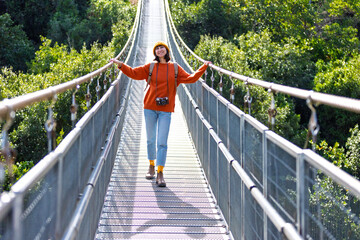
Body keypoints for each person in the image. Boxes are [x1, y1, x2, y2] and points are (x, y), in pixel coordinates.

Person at [110, 41, 210, 187]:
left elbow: (191, 78)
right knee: (151, 140)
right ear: (155, 52)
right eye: (157, 48)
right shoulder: (150, 67)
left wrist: (204, 67)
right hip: (149, 107)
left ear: (167, 51)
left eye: (162, 47)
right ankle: (151, 165)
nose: (160, 50)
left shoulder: (175, 68)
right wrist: (120, 64)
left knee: (162, 142)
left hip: (166, 110)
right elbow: (133, 73)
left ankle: (160, 172)